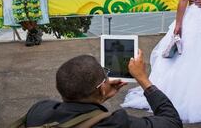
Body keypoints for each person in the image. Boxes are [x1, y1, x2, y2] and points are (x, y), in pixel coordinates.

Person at [11, 50, 183, 128]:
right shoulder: (114, 122)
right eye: (105, 76)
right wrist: (143, 79)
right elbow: (172, 122)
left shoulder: (39, 110)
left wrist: (98, 97)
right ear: (102, 88)